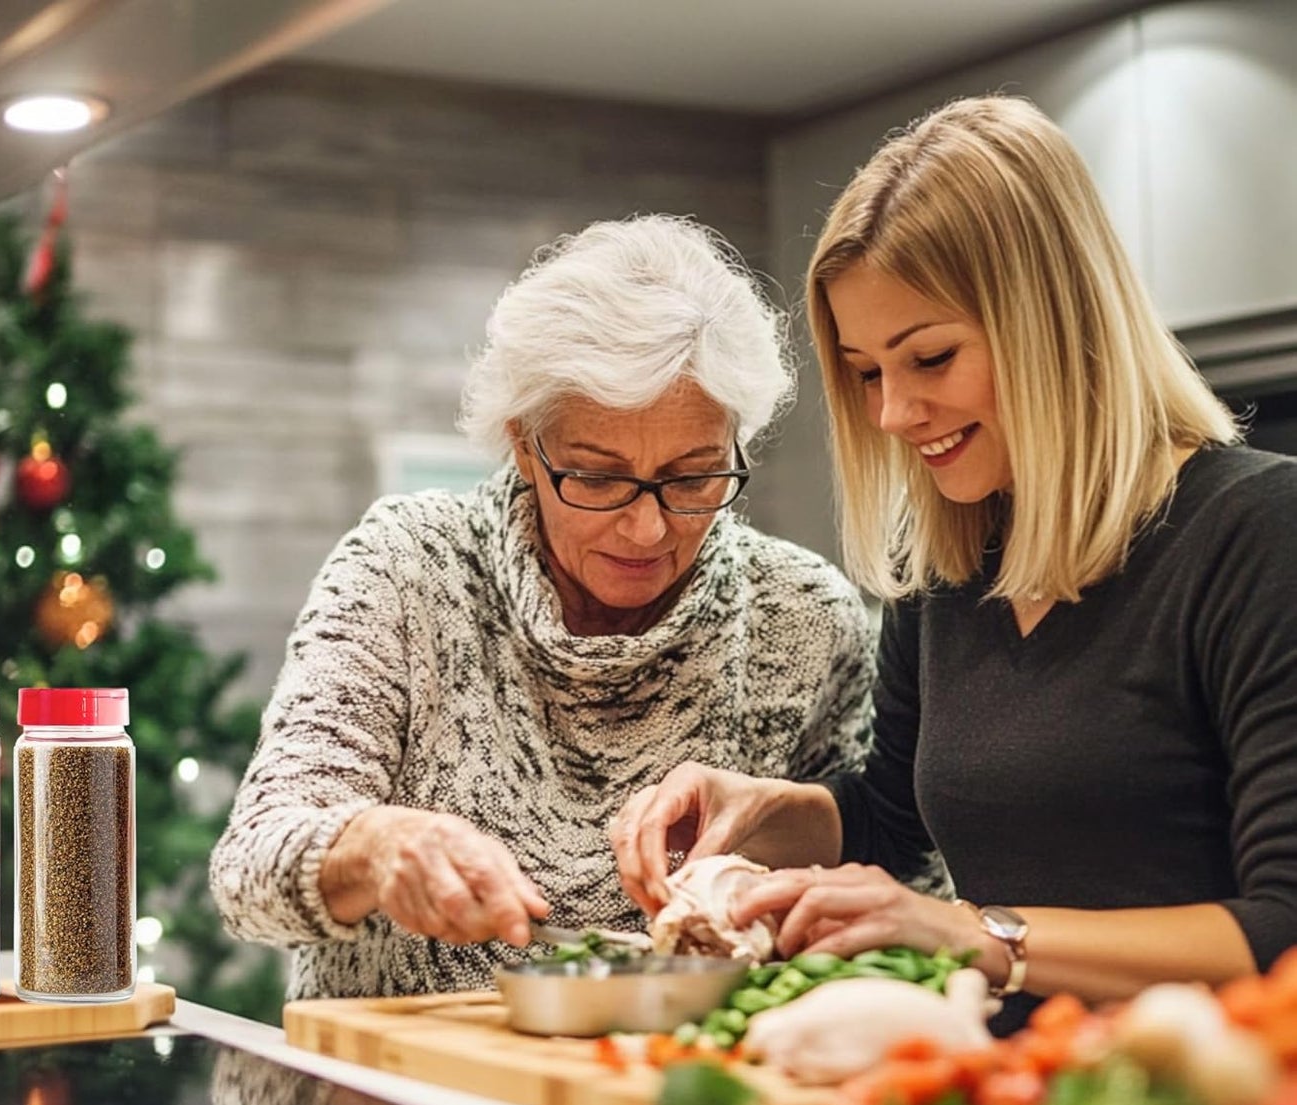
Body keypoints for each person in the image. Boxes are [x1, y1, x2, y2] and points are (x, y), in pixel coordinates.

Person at [612, 96, 1297, 1033]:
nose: (893, 412)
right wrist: (755, 811)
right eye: (865, 371)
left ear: (1051, 321)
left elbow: (1281, 930)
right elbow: (892, 816)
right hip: (1006, 1088)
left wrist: (981, 935)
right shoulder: (948, 564)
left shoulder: (1259, 531)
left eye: (929, 357)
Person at [210, 215, 874, 1000]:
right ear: (525, 444)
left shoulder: (802, 614)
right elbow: (249, 870)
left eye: (693, 477)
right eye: (598, 477)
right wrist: (374, 846)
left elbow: (892, 891)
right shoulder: (408, 567)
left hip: (682, 1096)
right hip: (395, 1098)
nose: (646, 526)